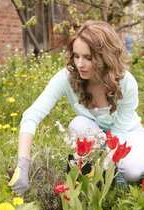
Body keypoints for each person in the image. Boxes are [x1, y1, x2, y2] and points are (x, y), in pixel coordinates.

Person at [9, 19, 144, 194]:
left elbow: (119, 132)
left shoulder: (125, 83)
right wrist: (23, 164)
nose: (80, 64)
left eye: (88, 58)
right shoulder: (67, 78)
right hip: (94, 133)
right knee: (78, 124)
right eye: (76, 55)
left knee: (133, 170)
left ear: (105, 56)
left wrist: (107, 164)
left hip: (127, 133)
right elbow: (32, 115)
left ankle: (119, 175)